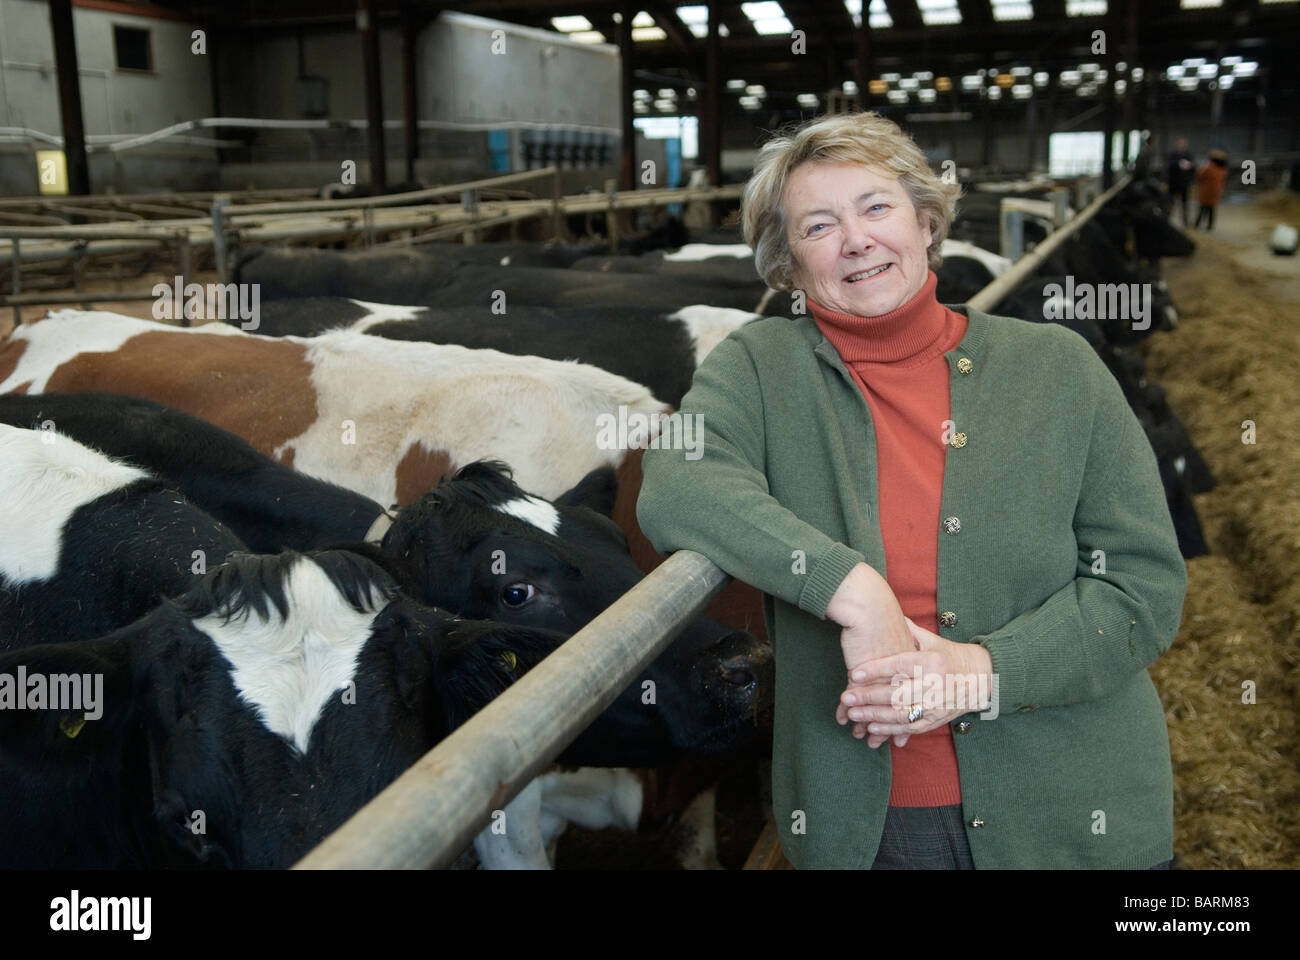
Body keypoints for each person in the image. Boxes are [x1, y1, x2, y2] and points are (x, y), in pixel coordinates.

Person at [636, 111, 1187, 870]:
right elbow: (676, 478)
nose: (855, 240)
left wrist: (978, 673)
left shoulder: (1060, 368)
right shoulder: (761, 366)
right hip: (882, 825)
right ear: (790, 264)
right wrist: (853, 589)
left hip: (1074, 803)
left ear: (927, 223)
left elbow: (1141, 589)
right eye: (818, 226)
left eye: (876, 207)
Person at [1194, 148, 1229, 231]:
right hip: (1216, 191)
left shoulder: (1209, 167)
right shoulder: (1223, 169)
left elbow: (1199, 176)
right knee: (1211, 210)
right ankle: (1209, 226)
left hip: (1206, 191)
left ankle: (1197, 224)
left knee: (1202, 209)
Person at [1165, 138, 1195, 226]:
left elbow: (1193, 167)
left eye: (1183, 145)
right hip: (1173, 183)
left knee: (1185, 204)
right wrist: (1178, 164)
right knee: (1170, 202)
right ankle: (1167, 219)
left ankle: (1185, 221)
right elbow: (1168, 166)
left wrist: (1189, 166)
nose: (1182, 146)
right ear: (1177, 145)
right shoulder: (1172, 155)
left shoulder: (1188, 155)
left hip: (1184, 183)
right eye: (1180, 144)